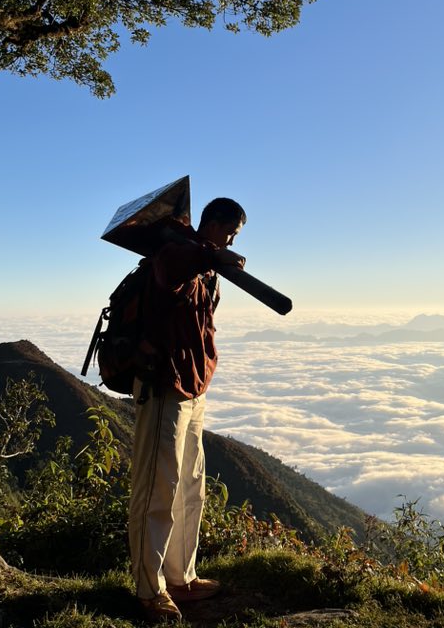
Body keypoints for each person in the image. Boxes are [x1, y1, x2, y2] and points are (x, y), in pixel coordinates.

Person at [128, 197, 247, 623]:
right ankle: (149, 588)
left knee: (190, 485)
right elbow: (172, 269)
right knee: (157, 489)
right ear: (211, 224)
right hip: (163, 386)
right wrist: (210, 253)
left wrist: (213, 258)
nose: (231, 239)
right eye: (229, 231)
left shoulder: (204, 264)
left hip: (193, 388)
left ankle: (182, 577)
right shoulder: (176, 251)